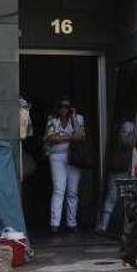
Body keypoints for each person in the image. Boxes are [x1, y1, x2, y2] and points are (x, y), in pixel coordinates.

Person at [45, 97, 85, 233]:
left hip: (74, 157)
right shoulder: (52, 119)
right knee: (58, 189)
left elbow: (80, 136)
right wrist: (70, 137)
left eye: (67, 107)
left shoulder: (78, 118)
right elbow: (50, 137)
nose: (64, 109)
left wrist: (73, 118)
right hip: (57, 156)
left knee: (72, 191)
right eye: (62, 106)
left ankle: (71, 223)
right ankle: (55, 223)